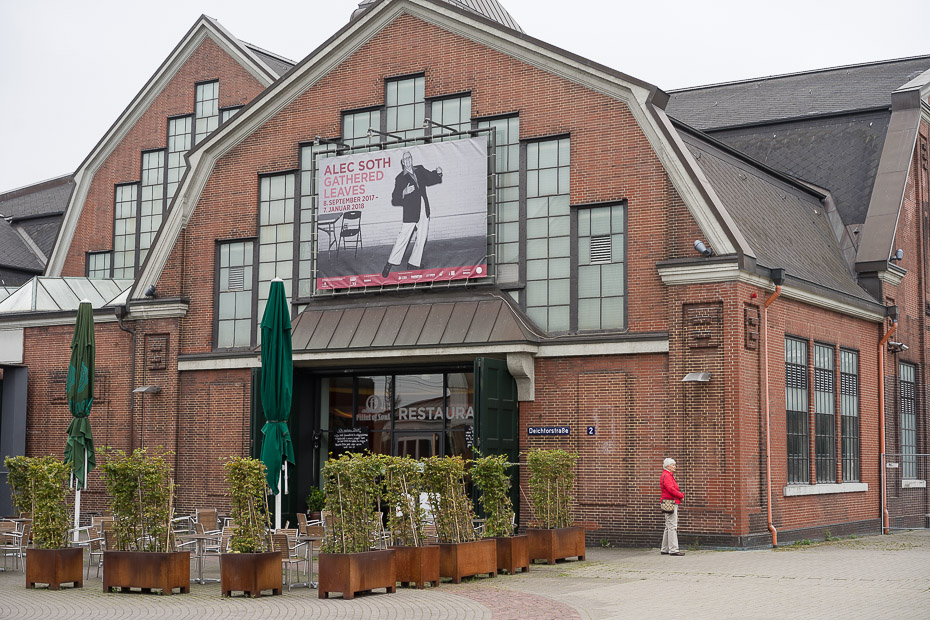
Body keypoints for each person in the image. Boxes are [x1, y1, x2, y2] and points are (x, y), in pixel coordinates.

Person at [381, 150, 442, 277]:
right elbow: (395, 197)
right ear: (402, 163)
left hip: (424, 208)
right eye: (405, 159)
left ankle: (414, 263)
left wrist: (438, 173)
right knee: (402, 238)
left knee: (421, 237)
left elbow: (430, 178)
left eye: (409, 158)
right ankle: (389, 264)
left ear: (411, 159)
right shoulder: (399, 178)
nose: (408, 160)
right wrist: (404, 192)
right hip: (410, 212)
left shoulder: (419, 169)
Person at [660, 457, 685, 556]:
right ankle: (673, 549)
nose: (675, 467)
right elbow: (671, 489)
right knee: (672, 526)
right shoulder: (667, 475)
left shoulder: (667, 475)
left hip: (668, 502)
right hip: (670, 502)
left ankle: (665, 548)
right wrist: (680, 495)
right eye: (673, 465)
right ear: (667, 466)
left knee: (668, 526)